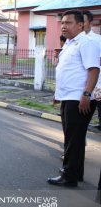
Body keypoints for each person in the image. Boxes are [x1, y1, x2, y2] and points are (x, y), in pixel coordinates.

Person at [47, 10, 100, 187]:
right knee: (74, 138)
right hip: (68, 97)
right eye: (62, 22)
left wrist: (86, 94)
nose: (63, 26)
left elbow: (94, 70)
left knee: (73, 139)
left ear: (80, 25)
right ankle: (75, 174)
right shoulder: (70, 43)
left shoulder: (86, 43)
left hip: (79, 98)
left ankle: (68, 176)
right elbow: (68, 71)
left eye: (68, 23)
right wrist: (59, 94)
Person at [83, 10, 101, 131]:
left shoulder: (97, 40)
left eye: (83, 21)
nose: (80, 24)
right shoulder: (73, 40)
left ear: (90, 22)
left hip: (96, 83)